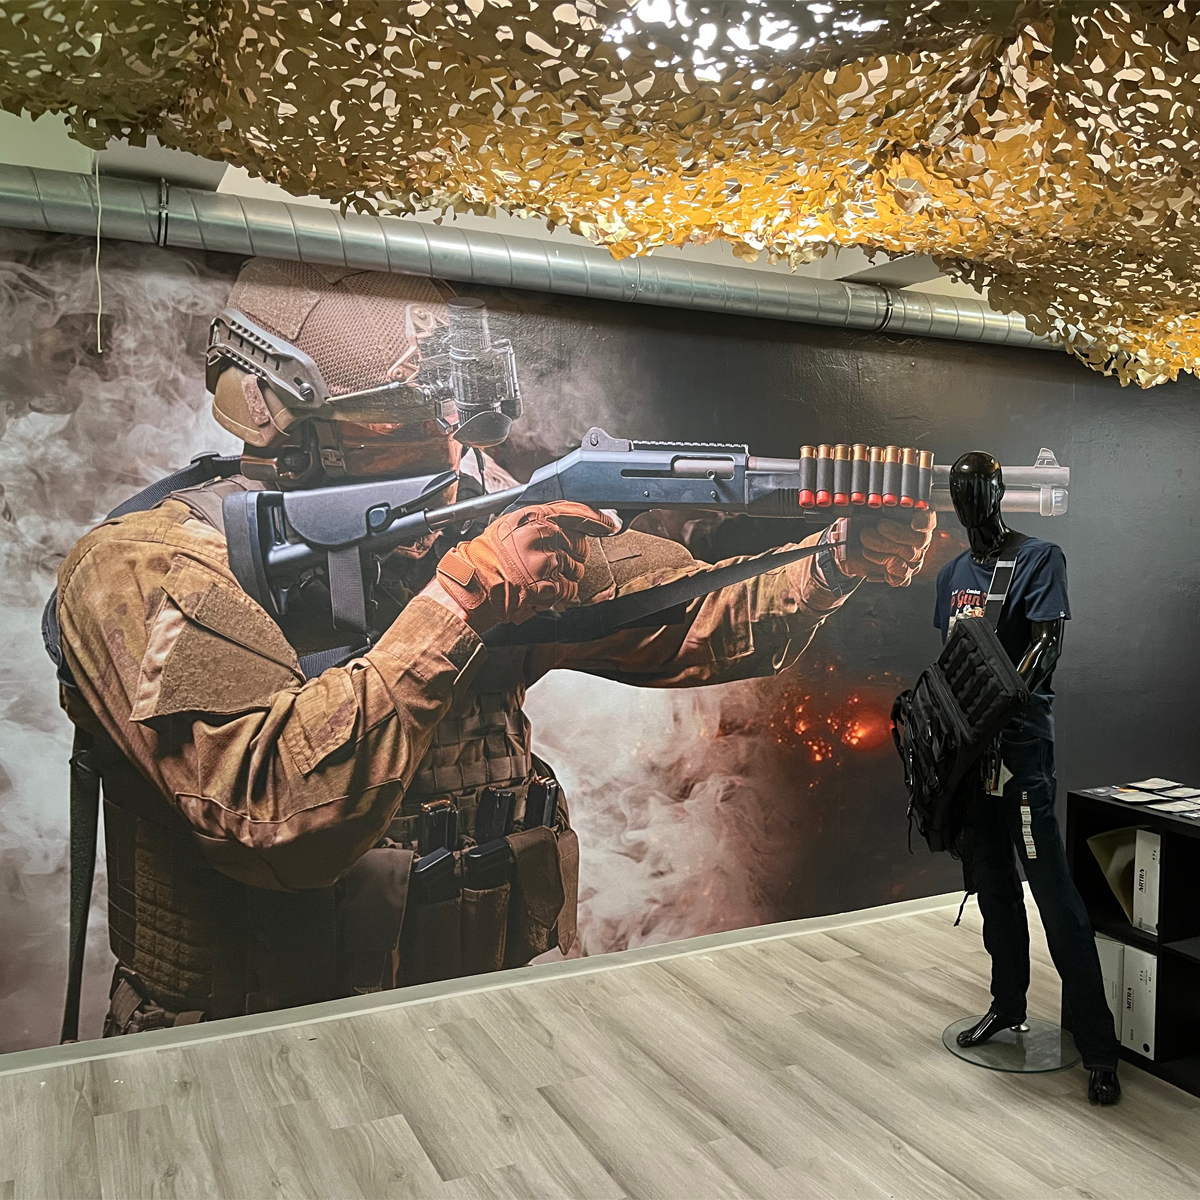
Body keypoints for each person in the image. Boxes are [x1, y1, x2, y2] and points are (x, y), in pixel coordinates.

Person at [55, 257, 935, 1035]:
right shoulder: (149, 566)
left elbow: (676, 617)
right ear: (270, 411)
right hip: (251, 1043)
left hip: (482, 1008)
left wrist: (833, 562)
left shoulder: (465, 515)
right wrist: (461, 601)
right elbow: (274, 816)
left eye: (452, 409)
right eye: (399, 417)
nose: (446, 444)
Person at [935, 451, 1120, 1106]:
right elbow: (953, 658)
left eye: (979, 488)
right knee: (992, 886)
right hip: (971, 756)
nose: (969, 500)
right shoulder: (952, 574)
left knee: (1053, 895)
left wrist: (1000, 706)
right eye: (959, 489)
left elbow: (1047, 647)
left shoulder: (1039, 559)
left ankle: (1099, 1049)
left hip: (1020, 750)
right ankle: (1006, 1004)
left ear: (999, 492)